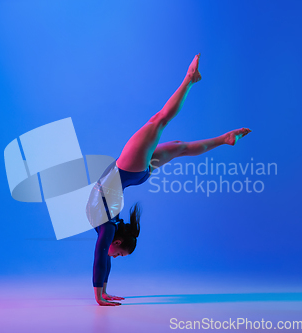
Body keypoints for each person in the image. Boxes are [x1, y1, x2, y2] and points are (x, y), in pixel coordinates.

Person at [87, 53, 251, 306]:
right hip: (131, 174)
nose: (114, 256)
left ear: (117, 242)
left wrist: (99, 295)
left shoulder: (106, 228)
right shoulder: (106, 225)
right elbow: (104, 257)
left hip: (128, 171)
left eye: (119, 254)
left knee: (161, 124)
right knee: (178, 145)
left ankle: (190, 80)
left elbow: (101, 256)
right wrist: (104, 291)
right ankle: (224, 138)